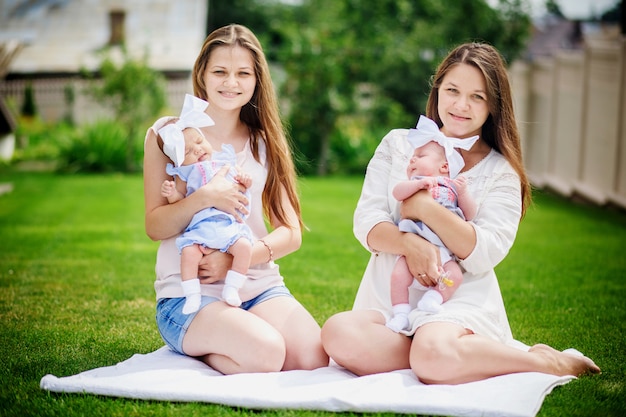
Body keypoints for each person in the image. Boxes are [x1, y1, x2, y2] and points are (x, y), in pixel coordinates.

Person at [320, 42, 601, 384]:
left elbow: (483, 253)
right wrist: (411, 244)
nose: (460, 105)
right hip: (391, 299)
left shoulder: (501, 171)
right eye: (452, 90)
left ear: (494, 105)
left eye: (477, 96)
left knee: (432, 349)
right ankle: (437, 356)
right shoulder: (398, 143)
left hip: (457, 299)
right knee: (337, 333)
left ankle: (547, 362)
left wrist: (422, 206)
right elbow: (367, 224)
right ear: (438, 89)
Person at [143, 24, 328, 374]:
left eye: (243, 73)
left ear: (257, 79)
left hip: (257, 283)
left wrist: (236, 262)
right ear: (202, 74)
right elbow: (155, 225)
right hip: (188, 292)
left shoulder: (265, 141)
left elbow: (291, 232)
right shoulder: (170, 135)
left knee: (313, 358)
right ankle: (208, 346)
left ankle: (234, 341)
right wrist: (205, 197)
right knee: (267, 354)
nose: (231, 83)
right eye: (220, 72)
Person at [158, 94, 254, 312]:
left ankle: (232, 287)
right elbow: (183, 203)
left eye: (200, 142)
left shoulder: (225, 162)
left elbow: (240, 186)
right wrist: (172, 195)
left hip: (227, 225)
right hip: (201, 227)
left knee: (245, 247)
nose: (198, 150)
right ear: (181, 161)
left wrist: (245, 181)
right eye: (189, 152)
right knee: (190, 253)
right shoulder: (187, 173)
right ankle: (192, 295)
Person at [386, 115, 478, 332]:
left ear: (445, 166)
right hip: (415, 241)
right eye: (412, 157)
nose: (412, 160)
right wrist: (417, 186)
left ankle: (435, 297)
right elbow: (398, 193)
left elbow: (470, 214)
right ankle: (400, 312)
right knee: (399, 275)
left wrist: (463, 192)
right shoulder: (415, 183)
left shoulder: (452, 186)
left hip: (444, 247)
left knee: (453, 276)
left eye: (420, 155)